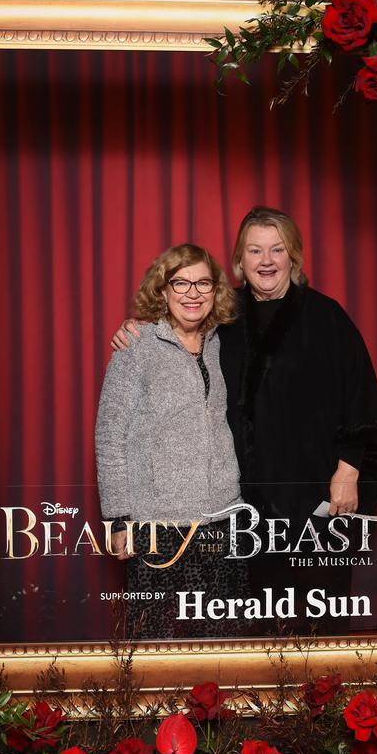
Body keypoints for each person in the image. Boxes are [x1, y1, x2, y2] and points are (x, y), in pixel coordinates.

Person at [112, 207, 377, 635]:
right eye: (255, 250)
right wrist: (135, 330)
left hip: (316, 497)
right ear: (239, 262)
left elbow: (362, 398)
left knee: (319, 620)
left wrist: (349, 468)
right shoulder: (224, 320)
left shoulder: (326, 317)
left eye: (277, 249)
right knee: (250, 627)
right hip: (242, 510)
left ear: (293, 257)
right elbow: (176, 328)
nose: (266, 260)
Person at [95, 244, 246, 639]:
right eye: (181, 282)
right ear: (162, 290)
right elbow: (110, 435)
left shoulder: (220, 342)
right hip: (158, 523)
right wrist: (117, 519)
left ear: (215, 291)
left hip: (223, 518)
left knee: (225, 639)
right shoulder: (137, 346)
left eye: (203, 283)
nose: (192, 292)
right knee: (154, 641)